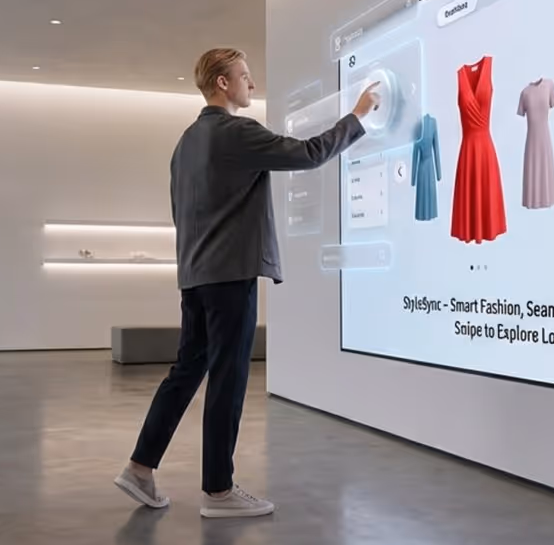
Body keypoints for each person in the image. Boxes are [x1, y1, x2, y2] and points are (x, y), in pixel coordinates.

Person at [115, 47, 380, 519]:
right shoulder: (236, 132)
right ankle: (218, 491)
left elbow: (182, 214)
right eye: (244, 75)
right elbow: (309, 154)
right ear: (222, 82)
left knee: (186, 372)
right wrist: (357, 117)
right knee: (229, 377)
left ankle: (139, 468)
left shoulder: (185, 143)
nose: (251, 85)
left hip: (195, 276)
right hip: (229, 275)